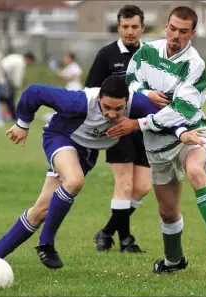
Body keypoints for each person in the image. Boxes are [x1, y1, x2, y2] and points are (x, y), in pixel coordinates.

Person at [0, 76, 205, 270]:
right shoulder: (79, 102)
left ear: (127, 101)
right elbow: (35, 92)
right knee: (75, 180)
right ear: (99, 98)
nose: (112, 113)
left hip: (86, 153)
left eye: (118, 109)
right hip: (61, 138)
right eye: (106, 107)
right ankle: (46, 243)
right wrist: (23, 123)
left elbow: (162, 115)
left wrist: (181, 132)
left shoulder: (135, 103)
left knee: (42, 209)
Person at [106, 6, 206, 273]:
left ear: (192, 34)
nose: (175, 36)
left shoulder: (194, 64)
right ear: (165, 25)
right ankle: (173, 261)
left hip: (190, 133)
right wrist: (148, 95)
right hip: (157, 144)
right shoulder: (145, 53)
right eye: (172, 28)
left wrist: (140, 122)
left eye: (183, 31)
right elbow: (130, 84)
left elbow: (181, 109)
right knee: (168, 213)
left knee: (195, 171)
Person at [85, 4, 149, 253]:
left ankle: (106, 231)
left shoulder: (152, 54)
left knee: (142, 187)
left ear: (142, 28)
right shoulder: (106, 55)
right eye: (125, 27)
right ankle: (126, 241)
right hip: (116, 128)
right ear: (119, 27)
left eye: (135, 27)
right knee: (124, 185)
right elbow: (90, 91)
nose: (130, 31)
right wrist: (107, 120)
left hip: (143, 128)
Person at [42, 52, 83, 122]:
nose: (65, 59)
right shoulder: (69, 67)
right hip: (70, 87)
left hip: (74, 87)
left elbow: (75, 75)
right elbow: (62, 75)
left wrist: (60, 72)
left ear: (70, 58)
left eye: (66, 58)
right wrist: (56, 69)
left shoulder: (74, 66)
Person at [0, 52, 36, 121]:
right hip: (3, 74)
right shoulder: (21, 62)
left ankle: (7, 115)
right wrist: (16, 87)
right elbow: (17, 77)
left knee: (3, 97)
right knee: (8, 97)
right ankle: (13, 116)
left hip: (1, 73)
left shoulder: (17, 57)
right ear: (29, 59)